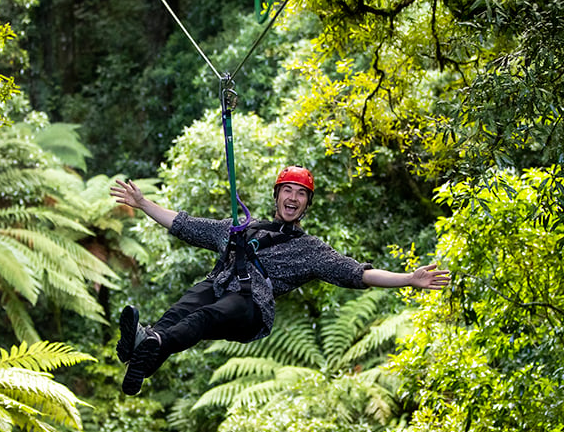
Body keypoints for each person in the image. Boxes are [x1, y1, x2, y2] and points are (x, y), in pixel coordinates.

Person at [109, 166, 450, 395]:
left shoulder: (309, 249)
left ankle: (149, 345)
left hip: (250, 307)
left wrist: (408, 279)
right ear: (276, 197)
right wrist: (142, 203)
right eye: (287, 190)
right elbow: (185, 224)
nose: (292, 198)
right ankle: (140, 351)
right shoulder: (240, 228)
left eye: (300, 194)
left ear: (306, 205)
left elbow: (356, 273)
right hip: (219, 285)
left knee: (202, 317)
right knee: (181, 310)